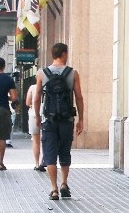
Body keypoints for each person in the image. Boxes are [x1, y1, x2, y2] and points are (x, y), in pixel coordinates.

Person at [34, 43, 85, 200]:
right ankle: (64, 183)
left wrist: (37, 116)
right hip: (66, 119)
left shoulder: (42, 73)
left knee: (50, 153)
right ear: (64, 54)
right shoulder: (72, 73)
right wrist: (81, 119)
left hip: (49, 119)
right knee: (64, 151)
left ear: (52, 54)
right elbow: (79, 97)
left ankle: (54, 189)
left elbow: (36, 98)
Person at [0, 57, 18, 171]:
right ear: (4, 66)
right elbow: (14, 97)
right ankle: (0, 163)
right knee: (2, 137)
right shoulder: (8, 79)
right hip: (4, 109)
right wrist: (6, 96)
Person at [26, 82, 45, 171]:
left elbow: (27, 102)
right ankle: (45, 161)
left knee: (36, 141)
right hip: (47, 116)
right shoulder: (48, 87)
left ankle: (37, 163)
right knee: (47, 140)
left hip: (34, 115)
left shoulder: (33, 87)